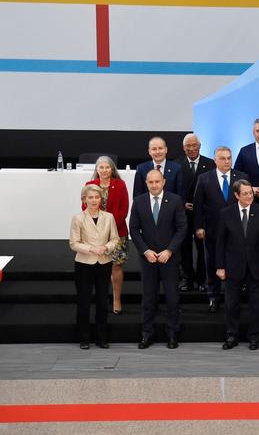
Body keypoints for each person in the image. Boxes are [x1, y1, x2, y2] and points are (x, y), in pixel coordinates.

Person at [129, 169, 187, 350]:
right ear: (146, 183)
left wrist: (169, 251)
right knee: (148, 298)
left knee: (172, 298)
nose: (154, 185)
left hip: (169, 258)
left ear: (163, 182)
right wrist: (145, 251)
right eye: (150, 182)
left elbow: (182, 228)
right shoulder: (139, 201)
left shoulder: (176, 200)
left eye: (157, 181)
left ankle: (172, 334)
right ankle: (147, 334)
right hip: (148, 259)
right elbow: (134, 229)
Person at [216, 180, 259, 350]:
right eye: (245, 193)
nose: (249, 196)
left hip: (257, 266)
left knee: (256, 304)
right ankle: (231, 335)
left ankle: (254, 337)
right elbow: (220, 242)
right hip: (233, 265)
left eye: (251, 192)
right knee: (231, 303)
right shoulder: (226, 213)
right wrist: (220, 266)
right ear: (236, 195)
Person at [193, 146, 247, 312]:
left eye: (229, 158)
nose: (226, 161)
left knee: (236, 263)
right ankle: (213, 296)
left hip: (237, 231)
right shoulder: (204, 178)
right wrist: (199, 226)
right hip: (213, 229)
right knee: (212, 263)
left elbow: (247, 203)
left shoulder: (242, 177)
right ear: (215, 160)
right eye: (222, 158)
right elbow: (198, 205)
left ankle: (236, 296)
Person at [70, 184, 120, 349]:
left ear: (101, 199)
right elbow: (74, 243)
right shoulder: (78, 218)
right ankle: (84, 339)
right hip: (84, 264)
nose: (93, 200)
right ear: (84, 200)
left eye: (96, 197)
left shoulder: (109, 217)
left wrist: (106, 247)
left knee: (102, 301)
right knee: (84, 301)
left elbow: (115, 239)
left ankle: (101, 338)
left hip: (104, 263)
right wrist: (92, 248)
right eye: (90, 197)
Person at [83, 156, 129, 314]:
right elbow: (85, 207)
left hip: (117, 232)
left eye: (107, 167)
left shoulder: (120, 184)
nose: (104, 170)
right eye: (101, 167)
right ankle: (101, 298)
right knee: (98, 267)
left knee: (116, 266)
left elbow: (124, 209)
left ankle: (116, 299)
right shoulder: (90, 185)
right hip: (94, 234)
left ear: (112, 169)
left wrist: (109, 226)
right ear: (96, 169)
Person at [177, 133, 215, 292]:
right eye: (188, 146)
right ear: (183, 148)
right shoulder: (176, 165)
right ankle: (187, 279)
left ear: (200, 146)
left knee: (202, 247)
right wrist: (182, 204)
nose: (191, 149)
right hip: (182, 214)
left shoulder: (210, 164)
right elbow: (171, 190)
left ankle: (202, 279)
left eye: (194, 145)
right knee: (183, 247)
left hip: (203, 214)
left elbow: (213, 190)